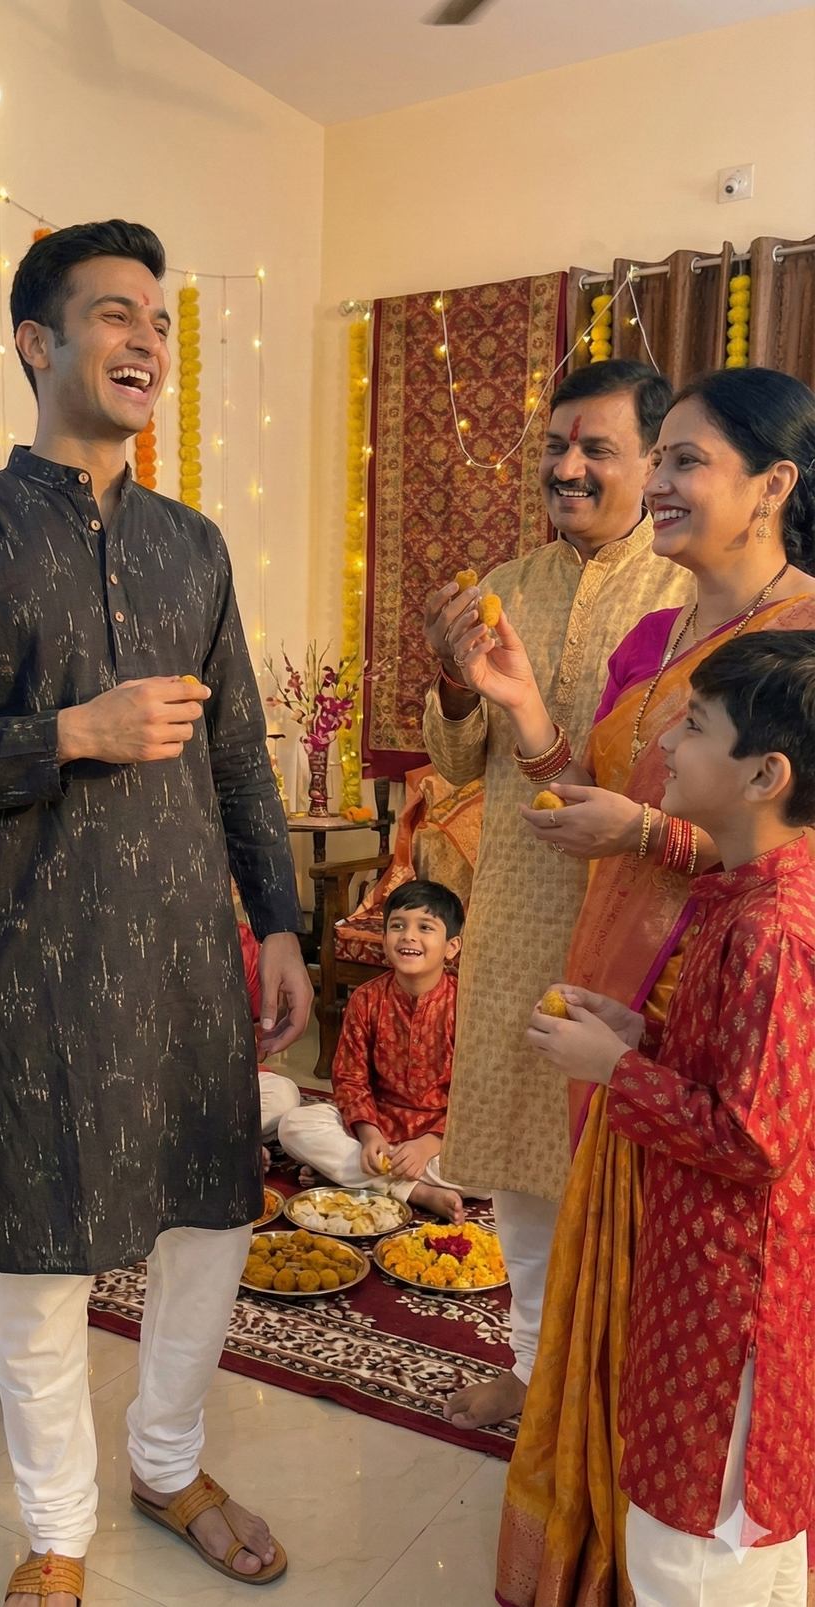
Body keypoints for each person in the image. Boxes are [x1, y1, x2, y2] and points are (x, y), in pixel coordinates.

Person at [0, 221, 311, 1607]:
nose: (148, 342)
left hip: (187, 952)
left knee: (208, 1227)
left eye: (162, 321)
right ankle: (55, 1529)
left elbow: (238, 746)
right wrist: (71, 731)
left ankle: (168, 1462)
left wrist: (279, 919)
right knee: (46, 1258)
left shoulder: (194, 544)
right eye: (117, 314)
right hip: (36, 957)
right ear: (37, 342)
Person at [476, 367, 815, 1605]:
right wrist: (520, 711)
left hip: (726, 1008)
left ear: (774, 484)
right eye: (656, 458)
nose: (656, 486)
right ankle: (623, 1543)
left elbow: (778, 847)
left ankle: (675, 1558)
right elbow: (604, 785)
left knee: (701, 1308)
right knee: (625, 1299)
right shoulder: (651, 634)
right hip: (621, 977)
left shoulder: (804, 645)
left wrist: (650, 841)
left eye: (686, 462)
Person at [420, 360, 693, 1429]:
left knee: (622, 1174)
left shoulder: (687, 591)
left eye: (597, 451)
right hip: (521, 912)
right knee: (526, 1177)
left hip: (646, 917)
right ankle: (538, 1382)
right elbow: (454, 761)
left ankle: (616, 1396)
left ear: (656, 461)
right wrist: (450, 682)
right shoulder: (508, 580)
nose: (567, 470)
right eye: (555, 449)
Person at [522, 630, 815, 1607]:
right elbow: (746, 1075)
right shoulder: (749, 897)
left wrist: (616, 1071)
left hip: (730, 1308)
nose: (669, 750)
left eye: (694, 727)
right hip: (712, 1277)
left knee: (692, 1559)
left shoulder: (774, 927)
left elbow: (756, 1136)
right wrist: (642, 1035)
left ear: (766, 772)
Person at [278, 879, 469, 1222]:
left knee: (495, 1169)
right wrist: (369, 1136)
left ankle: (348, 1175)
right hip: (376, 1131)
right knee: (295, 1124)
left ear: (452, 946)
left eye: (425, 927)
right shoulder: (366, 999)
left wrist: (429, 1144)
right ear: (384, 940)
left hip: (444, 1141)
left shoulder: (467, 1006)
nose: (408, 936)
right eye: (397, 926)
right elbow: (349, 1080)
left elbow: (475, 1096)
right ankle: (416, 1192)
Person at [237, 920, 302, 1140]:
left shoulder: (240, 942)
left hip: (225, 1080)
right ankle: (237, 1144)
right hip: (148, 1087)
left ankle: (233, 1142)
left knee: (283, 1097)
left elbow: (258, 1040)